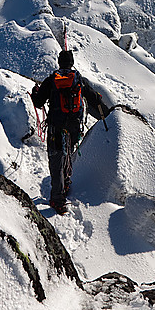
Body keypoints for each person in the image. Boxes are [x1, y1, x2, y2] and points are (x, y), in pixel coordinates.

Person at [31, 49, 102, 214]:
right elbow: (95, 98)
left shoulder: (51, 80)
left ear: (59, 62)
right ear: (72, 63)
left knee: (56, 159)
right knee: (68, 153)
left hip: (56, 126)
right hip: (74, 126)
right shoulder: (78, 79)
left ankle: (58, 199)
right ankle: (67, 182)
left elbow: (39, 102)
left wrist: (36, 91)